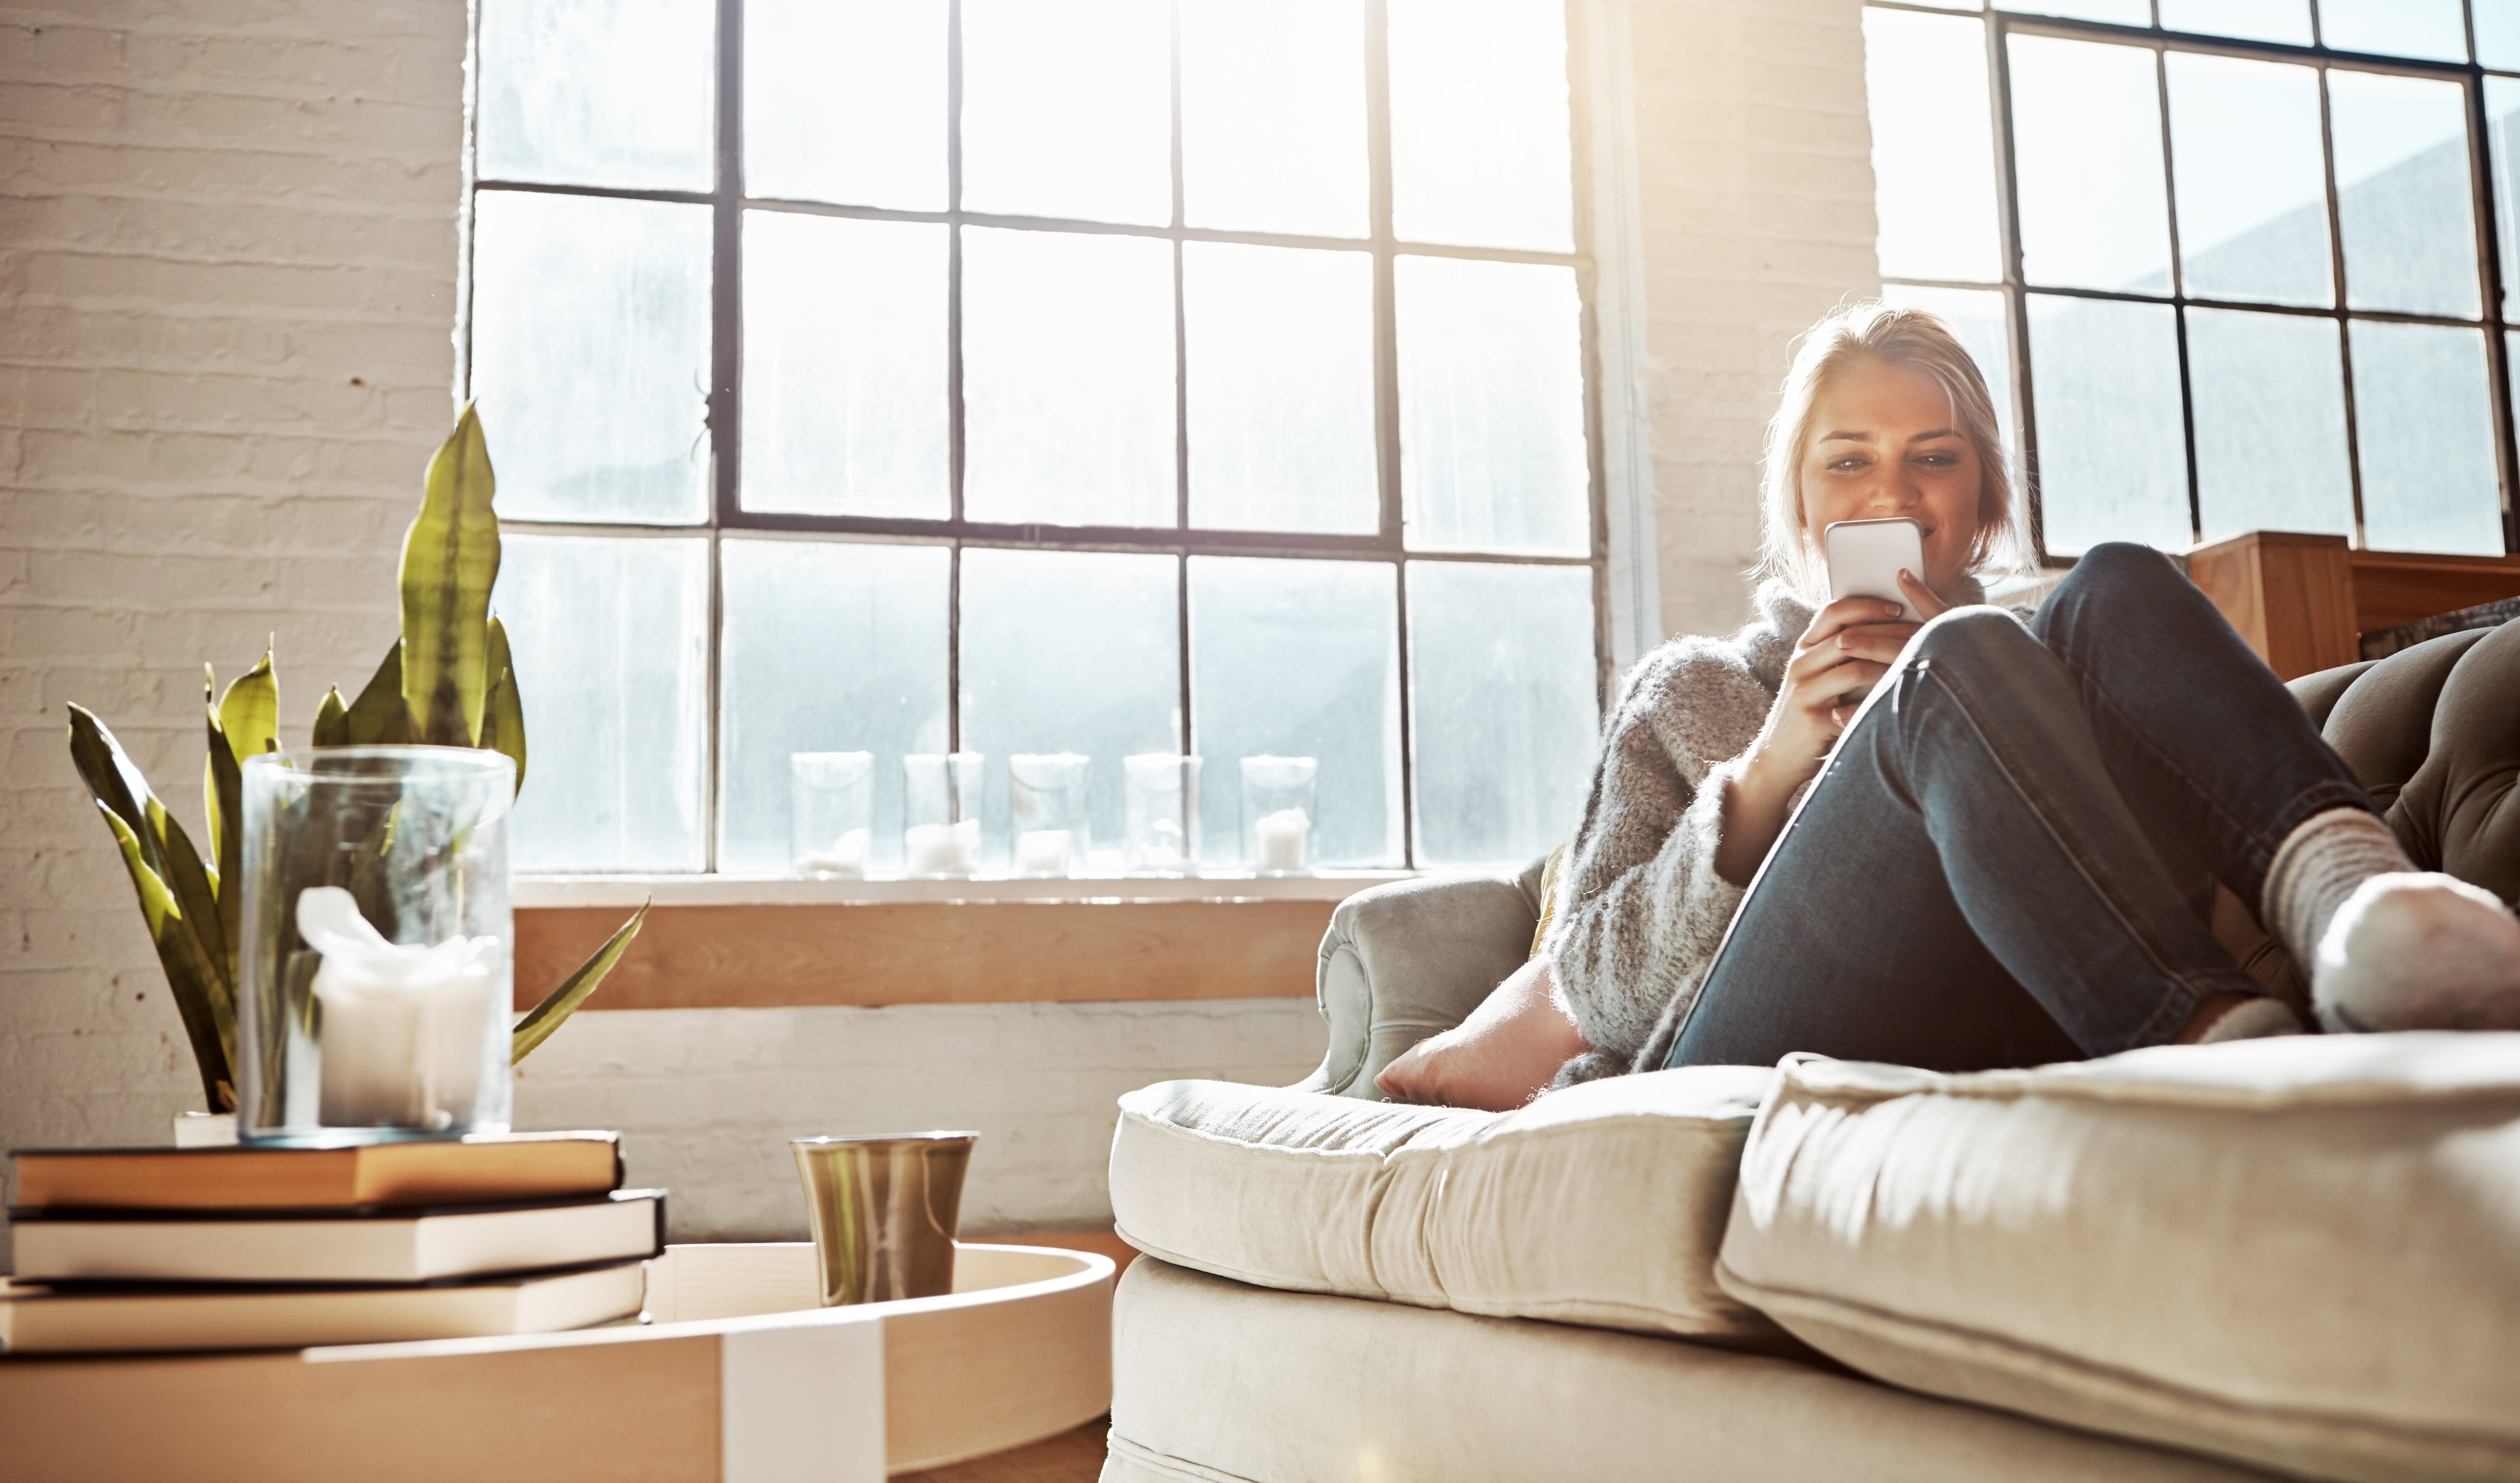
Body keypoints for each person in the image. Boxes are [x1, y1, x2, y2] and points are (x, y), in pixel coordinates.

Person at [1377, 300, 2520, 1110]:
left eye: (1934, 459)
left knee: (2118, 578)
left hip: (2029, 1002)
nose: (1894, 495)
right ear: (1799, 504)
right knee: (1956, 667)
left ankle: (2369, 916)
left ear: (1979, 506)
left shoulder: (2055, 659)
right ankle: (2214, 1047)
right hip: (1732, 1044)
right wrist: (1768, 775)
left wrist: (2000, 716)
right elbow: (1600, 991)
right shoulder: (1697, 693)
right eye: (1847, 464)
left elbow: (2150, 873)